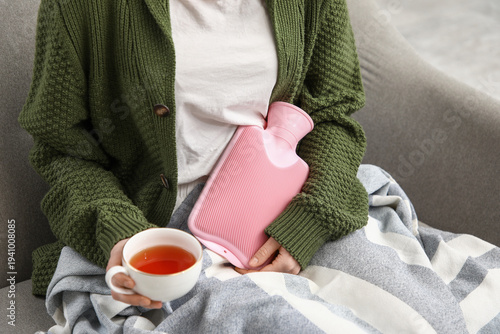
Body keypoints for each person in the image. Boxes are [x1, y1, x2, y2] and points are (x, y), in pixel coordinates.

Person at [19, 0, 368, 310]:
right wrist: (119, 230)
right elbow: (63, 150)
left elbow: (331, 114)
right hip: (160, 235)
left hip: (294, 212)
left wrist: (307, 222)